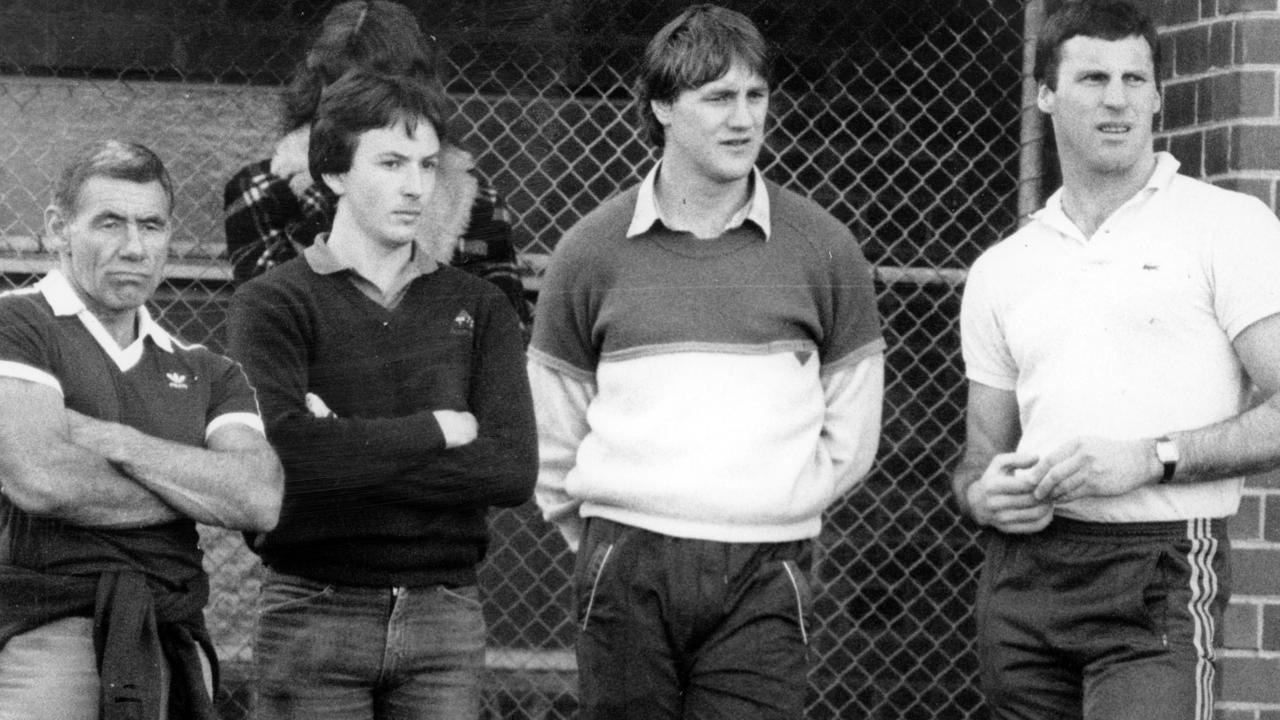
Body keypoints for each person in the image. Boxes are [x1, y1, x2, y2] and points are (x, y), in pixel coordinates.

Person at [528, 5, 885, 718]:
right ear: (661, 105)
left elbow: (852, 429)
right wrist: (608, 534)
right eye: (718, 98)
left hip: (766, 565)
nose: (743, 118)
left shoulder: (824, 247)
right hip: (626, 563)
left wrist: (775, 501)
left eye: (755, 96)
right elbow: (554, 429)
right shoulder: (590, 250)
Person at [954, 1, 1280, 718]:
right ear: (1045, 95)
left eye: (1136, 79)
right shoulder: (1005, 267)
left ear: (1159, 94)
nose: (1118, 99)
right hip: (1026, 574)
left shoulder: (1226, 228)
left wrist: (1151, 457)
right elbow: (980, 457)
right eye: (1094, 77)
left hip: (1156, 567)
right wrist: (985, 496)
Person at [227, 67, 537, 720]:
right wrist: (437, 430)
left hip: (444, 614)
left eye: (427, 165)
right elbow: (289, 457)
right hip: (315, 609)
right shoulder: (272, 302)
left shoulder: (477, 305)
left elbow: (511, 468)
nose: (416, 186)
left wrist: (344, 446)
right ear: (335, 173)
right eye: (392, 162)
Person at [0, 140, 283, 720]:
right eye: (109, 222)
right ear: (59, 228)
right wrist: (195, 491)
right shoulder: (16, 323)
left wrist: (115, 441)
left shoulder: (208, 369)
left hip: (172, 634)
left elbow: (260, 497)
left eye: (150, 225)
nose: (133, 246)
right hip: (47, 633)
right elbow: (42, 479)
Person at [223, 0, 531, 332]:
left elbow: (506, 332)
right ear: (319, 88)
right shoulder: (264, 190)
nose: (362, 107)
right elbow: (275, 331)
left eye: (381, 91)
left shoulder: (474, 199)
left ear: (417, 90)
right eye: (344, 87)